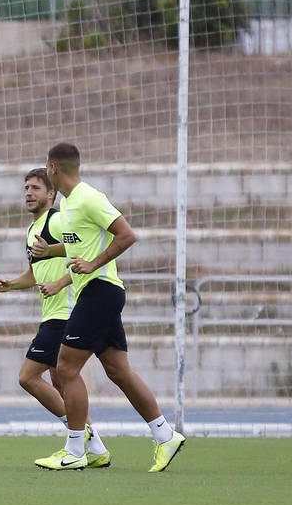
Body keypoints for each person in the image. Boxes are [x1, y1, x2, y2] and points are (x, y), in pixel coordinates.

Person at [36, 142, 185, 472]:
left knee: (66, 369)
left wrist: (94, 263)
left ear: (53, 168)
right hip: (99, 293)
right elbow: (80, 243)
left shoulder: (89, 197)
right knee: (118, 370)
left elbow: (126, 234)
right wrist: (52, 252)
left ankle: (76, 450)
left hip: (100, 292)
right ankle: (165, 436)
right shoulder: (70, 206)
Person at [0, 167, 109, 467]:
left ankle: (80, 436)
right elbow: (34, 274)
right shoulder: (32, 230)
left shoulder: (57, 221)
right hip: (54, 315)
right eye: (26, 188)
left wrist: (60, 284)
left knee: (28, 377)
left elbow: (82, 255)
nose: (29, 193)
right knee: (62, 383)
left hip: (65, 314)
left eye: (36, 188)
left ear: (51, 193)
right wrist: (11, 284)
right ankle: (95, 447)